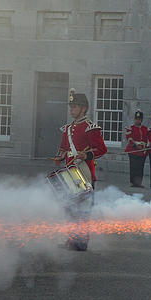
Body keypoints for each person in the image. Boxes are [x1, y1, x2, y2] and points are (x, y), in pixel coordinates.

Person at [53, 88, 108, 251]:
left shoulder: (90, 127)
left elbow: (102, 149)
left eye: (75, 107)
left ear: (83, 108)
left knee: (83, 209)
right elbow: (63, 148)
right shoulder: (68, 128)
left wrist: (87, 155)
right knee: (69, 207)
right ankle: (72, 239)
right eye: (71, 107)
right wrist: (59, 156)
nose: (72, 110)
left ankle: (81, 241)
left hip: (85, 172)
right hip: (70, 172)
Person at [125, 109, 148, 188]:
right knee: (134, 166)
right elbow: (129, 139)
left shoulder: (145, 129)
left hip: (142, 150)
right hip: (133, 150)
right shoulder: (130, 128)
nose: (138, 121)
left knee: (140, 167)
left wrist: (145, 148)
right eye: (136, 119)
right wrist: (135, 145)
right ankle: (133, 182)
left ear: (141, 120)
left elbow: (146, 139)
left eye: (139, 119)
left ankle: (139, 182)